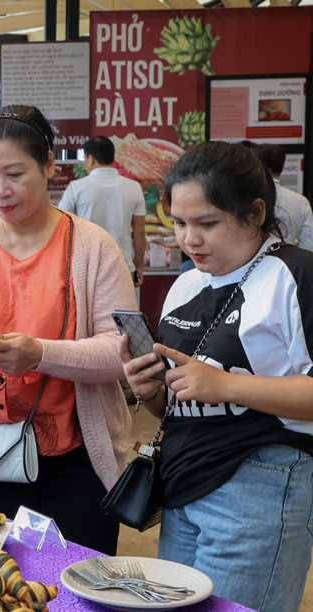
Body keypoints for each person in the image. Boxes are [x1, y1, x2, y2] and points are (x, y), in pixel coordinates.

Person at [0, 105, 137, 555]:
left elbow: (119, 351)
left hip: (77, 462)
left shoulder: (93, 246)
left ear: (50, 165)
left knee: (78, 584)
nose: (0, 191)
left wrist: (39, 354)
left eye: (15, 174)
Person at [122, 141, 313, 612]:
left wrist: (224, 384)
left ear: (255, 212)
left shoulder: (294, 275)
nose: (190, 240)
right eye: (180, 223)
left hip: (260, 486)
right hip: (182, 487)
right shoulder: (186, 283)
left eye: (207, 223)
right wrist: (150, 391)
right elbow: (181, 402)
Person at [58, 136, 146, 286]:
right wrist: (139, 266)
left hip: (86, 268)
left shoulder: (76, 188)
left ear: (91, 159)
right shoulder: (134, 188)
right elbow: (139, 232)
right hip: (123, 267)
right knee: (121, 310)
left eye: (84, 159)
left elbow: (61, 227)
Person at [251, 143, 313, 251]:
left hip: (253, 264)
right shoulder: (301, 202)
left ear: (257, 164)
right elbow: (307, 247)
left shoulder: (247, 197)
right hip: (289, 263)